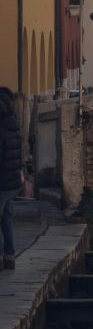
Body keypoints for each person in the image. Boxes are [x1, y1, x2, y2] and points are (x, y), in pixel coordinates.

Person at [0, 86, 21, 270]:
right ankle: (10, 256)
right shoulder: (13, 125)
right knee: (7, 219)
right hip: (12, 182)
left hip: (1, 182)